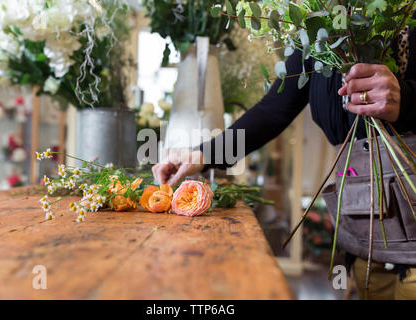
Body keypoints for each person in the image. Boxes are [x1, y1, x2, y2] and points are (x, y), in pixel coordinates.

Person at [152, 21, 416, 299]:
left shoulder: (402, 19)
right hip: (367, 220)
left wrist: (406, 99)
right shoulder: (320, 34)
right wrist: (202, 155)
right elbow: (272, 112)